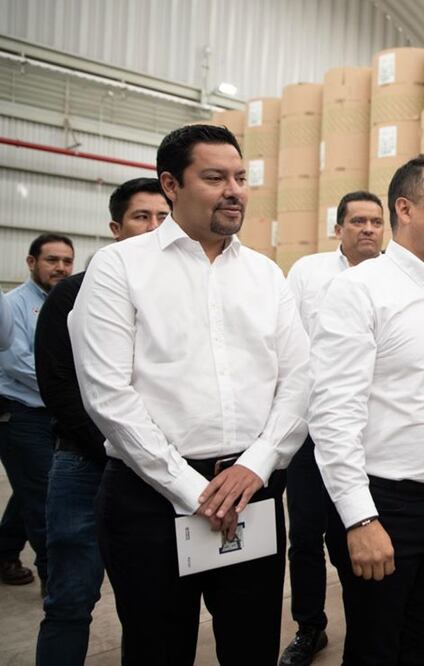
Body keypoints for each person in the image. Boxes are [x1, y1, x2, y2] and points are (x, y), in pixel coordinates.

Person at [69, 124, 311, 664]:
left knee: (251, 647)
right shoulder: (120, 268)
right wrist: (190, 488)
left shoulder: (266, 275)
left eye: (241, 177)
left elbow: (298, 381)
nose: (234, 190)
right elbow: (107, 393)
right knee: (159, 648)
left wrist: (258, 464)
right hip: (149, 499)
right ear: (171, 184)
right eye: (214, 177)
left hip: (251, 491)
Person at [308, 152, 424, 665]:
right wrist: (360, 519)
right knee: (374, 651)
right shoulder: (360, 291)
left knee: (417, 648)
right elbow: (332, 413)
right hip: (383, 507)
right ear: (404, 209)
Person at [34, 177, 168, 665]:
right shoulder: (71, 293)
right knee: (71, 598)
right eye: (141, 217)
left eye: (162, 216)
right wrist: (126, 449)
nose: (154, 227)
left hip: (156, 469)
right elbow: (62, 391)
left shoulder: (179, 295)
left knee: (150, 606)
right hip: (86, 463)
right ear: (116, 227)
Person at [279, 190, 385, 666]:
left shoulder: (392, 279)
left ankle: (366, 623)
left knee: (358, 533)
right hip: (308, 429)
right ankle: (310, 626)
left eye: (375, 222)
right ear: (338, 228)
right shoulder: (307, 272)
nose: (367, 229)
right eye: (358, 221)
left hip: (371, 435)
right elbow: (289, 343)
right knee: (304, 536)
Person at [0, 233, 75, 591]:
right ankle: (54, 580)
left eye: (66, 261)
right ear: (32, 263)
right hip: (22, 416)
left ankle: (3, 551)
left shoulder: (70, 302)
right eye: (51, 260)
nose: (60, 267)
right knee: (45, 498)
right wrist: (72, 387)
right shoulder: (13, 304)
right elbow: (17, 362)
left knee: (30, 489)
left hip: (55, 414)